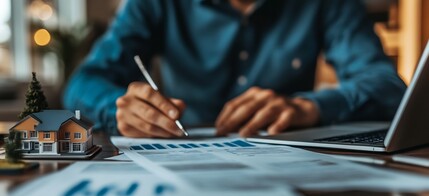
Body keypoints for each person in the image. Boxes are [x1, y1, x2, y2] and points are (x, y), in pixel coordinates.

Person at [64, 0, 406, 138]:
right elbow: (82, 84)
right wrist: (119, 110)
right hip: (176, 156)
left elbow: (388, 86)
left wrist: (309, 106)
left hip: (289, 166)